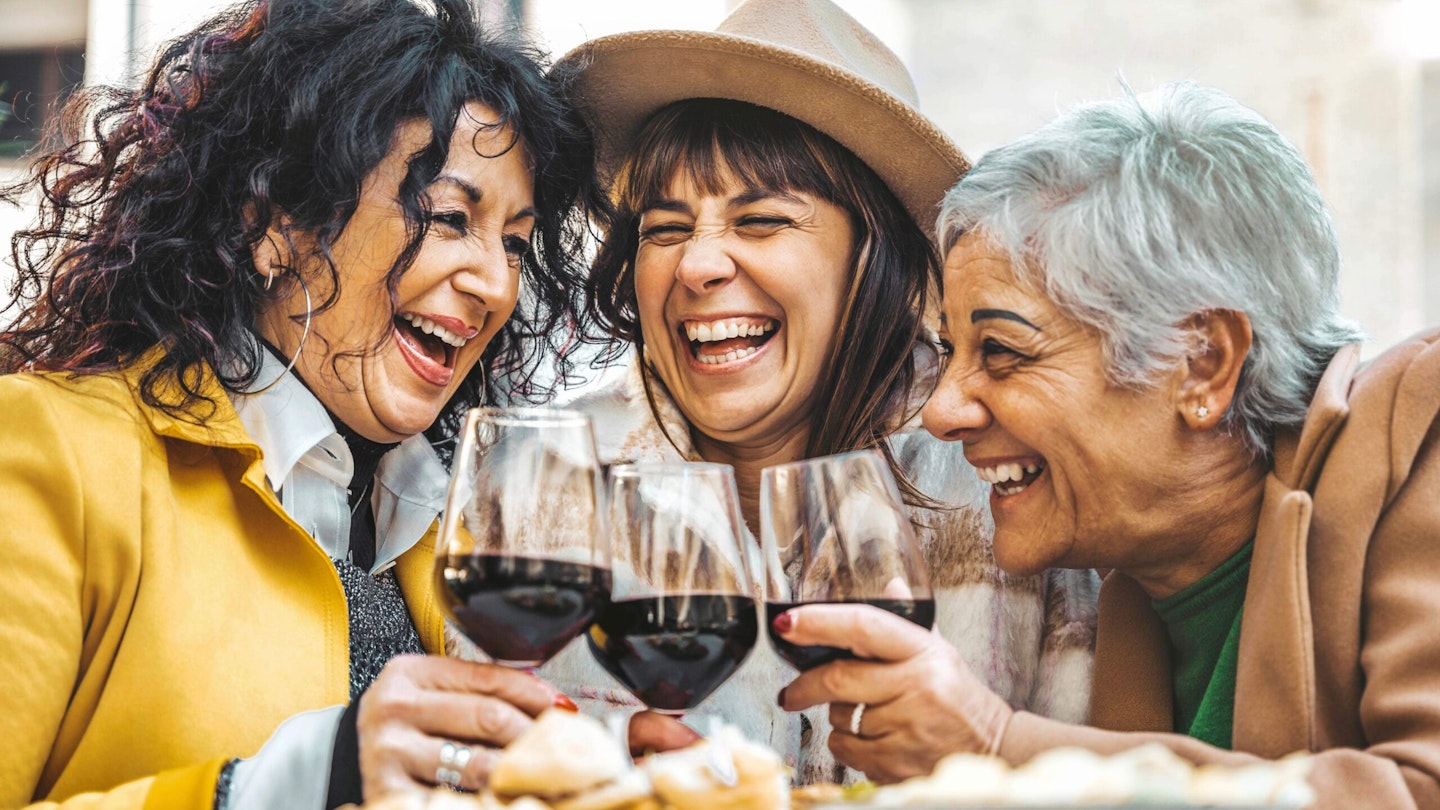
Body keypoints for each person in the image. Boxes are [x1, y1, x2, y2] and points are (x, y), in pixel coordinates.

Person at [0, 0, 602, 807]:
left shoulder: (459, 533)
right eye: (450, 216)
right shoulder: (47, 454)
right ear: (274, 224)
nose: (496, 283)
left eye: (516, 244)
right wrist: (291, 782)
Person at [771, 81, 1440, 807]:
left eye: (1001, 350)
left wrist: (999, 746)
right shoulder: (1134, 591)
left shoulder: (1422, 442)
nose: (941, 410)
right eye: (949, 350)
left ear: (1201, 363)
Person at [538, 0, 1099, 785]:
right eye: (664, 230)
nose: (696, 267)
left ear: (876, 261)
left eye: (761, 220)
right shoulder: (551, 471)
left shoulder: (1003, 473)